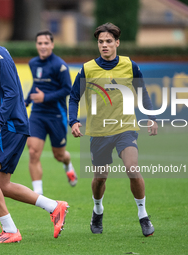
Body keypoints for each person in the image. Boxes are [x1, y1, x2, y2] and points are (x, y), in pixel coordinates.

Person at [0, 18, 69, 244]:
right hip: (15, 125)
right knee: (2, 184)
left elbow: (12, 94)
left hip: (10, 126)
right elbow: (2, 98)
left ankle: (10, 230)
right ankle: (55, 207)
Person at [69, 23, 158, 237]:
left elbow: (143, 92)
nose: (105, 45)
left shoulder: (130, 66)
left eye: (109, 41)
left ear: (117, 42)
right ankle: (97, 209)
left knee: (132, 168)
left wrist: (152, 117)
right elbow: (74, 97)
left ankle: (143, 215)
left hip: (125, 127)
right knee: (100, 178)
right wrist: (73, 121)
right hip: (98, 131)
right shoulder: (88, 68)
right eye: (101, 42)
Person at [25, 30, 77, 195]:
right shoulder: (33, 63)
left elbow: (67, 89)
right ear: (36, 45)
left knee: (59, 155)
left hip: (56, 115)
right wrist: (25, 102)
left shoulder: (59, 65)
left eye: (46, 43)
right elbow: (36, 85)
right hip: (37, 114)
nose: (43, 46)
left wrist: (45, 97)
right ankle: (38, 194)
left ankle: (67, 164)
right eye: (39, 43)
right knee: (33, 152)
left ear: (52, 45)